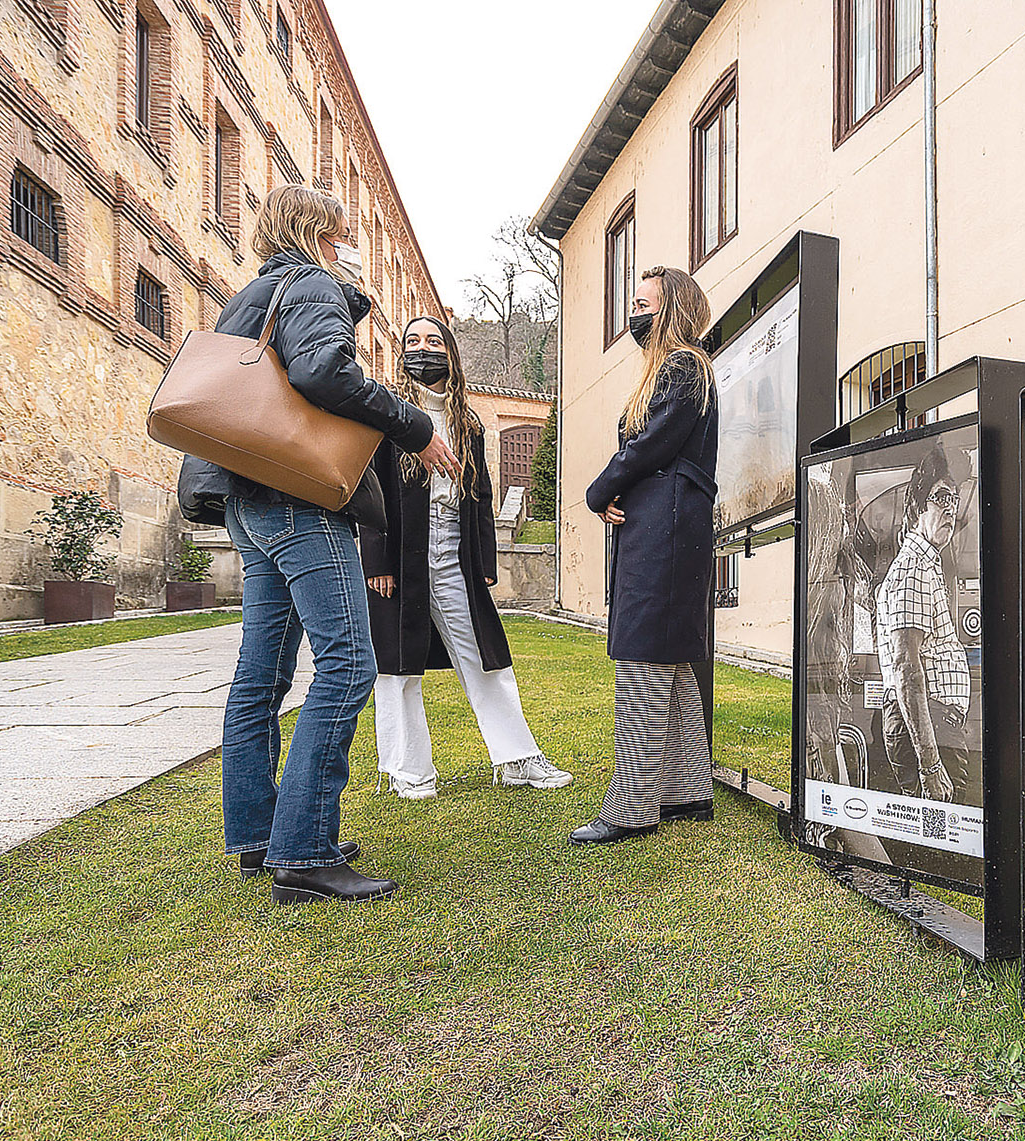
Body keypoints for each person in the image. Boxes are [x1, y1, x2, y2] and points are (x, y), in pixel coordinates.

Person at [216, 183, 461, 905]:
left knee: (260, 675)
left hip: (249, 503)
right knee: (350, 664)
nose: (349, 243)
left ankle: (263, 835)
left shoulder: (253, 293)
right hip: (300, 501)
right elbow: (325, 371)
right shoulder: (314, 282)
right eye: (342, 232)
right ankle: (305, 850)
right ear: (318, 231)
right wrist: (415, 426)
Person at [362, 316, 571, 798]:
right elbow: (367, 487)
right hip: (400, 550)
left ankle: (518, 759)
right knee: (395, 664)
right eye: (412, 341)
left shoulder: (468, 423)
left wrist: (483, 566)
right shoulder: (387, 416)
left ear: (450, 352)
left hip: (453, 548)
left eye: (433, 340)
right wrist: (378, 562)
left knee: (485, 656)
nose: (422, 348)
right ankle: (406, 771)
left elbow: (479, 493)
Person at [572, 265, 719, 844]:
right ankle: (687, 789)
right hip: (669, 524)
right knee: (670, 656)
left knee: (641, 655)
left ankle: (632, 805)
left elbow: (648, 444)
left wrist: (600, 489)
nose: (634, 313)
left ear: (672, 308)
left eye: (643, 303)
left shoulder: (683, 366)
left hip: (667, 528)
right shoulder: (683, 370)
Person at [874, 444, 974, 804]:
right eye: (941, 497)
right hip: (927, 723)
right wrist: (930, 765)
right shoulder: (914, 567)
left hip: (932, 721)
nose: (950, 508)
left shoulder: (926, 563)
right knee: (941, 831)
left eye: (955, 499)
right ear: (917, 507)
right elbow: (906, 667)